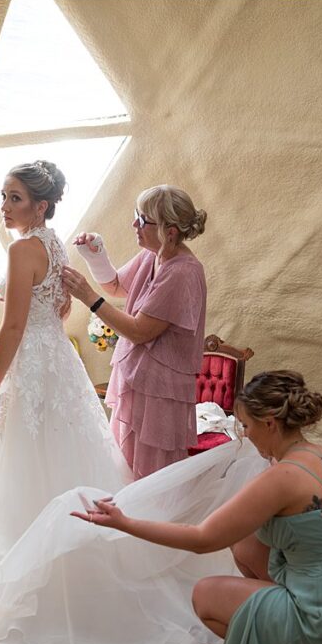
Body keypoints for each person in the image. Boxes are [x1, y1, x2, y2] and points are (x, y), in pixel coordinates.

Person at [74, 371, 322, 644]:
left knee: (204, 594)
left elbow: (202, 539)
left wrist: (125, 523)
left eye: (246, 425)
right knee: (246, 540)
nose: (244, 434)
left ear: (270, 423)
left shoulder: (282, 477)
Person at [0, 161, 132, 628]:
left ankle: (21, 583)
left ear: (40, 205)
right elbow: (56, 308)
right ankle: (70, 574)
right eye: (3, 195)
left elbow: (14, 326)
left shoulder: (24, 248)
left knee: (19, 461)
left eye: (14, 198)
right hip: (57, 361)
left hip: (31, 366)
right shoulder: (52, 242)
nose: (4, 206)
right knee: (62, 454)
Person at [64, 185, 208, 478]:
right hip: (137, 380)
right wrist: (95, 255)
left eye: (143, 220)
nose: (134, 225)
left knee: (152, 469)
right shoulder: (152, 255)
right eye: (136, 215)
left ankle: (148, 521)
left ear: (169, 231)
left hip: (160, 390)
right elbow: (117, 286)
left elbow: (141, 331)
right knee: (125, 461)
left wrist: (87, 296)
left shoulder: (182, 272)